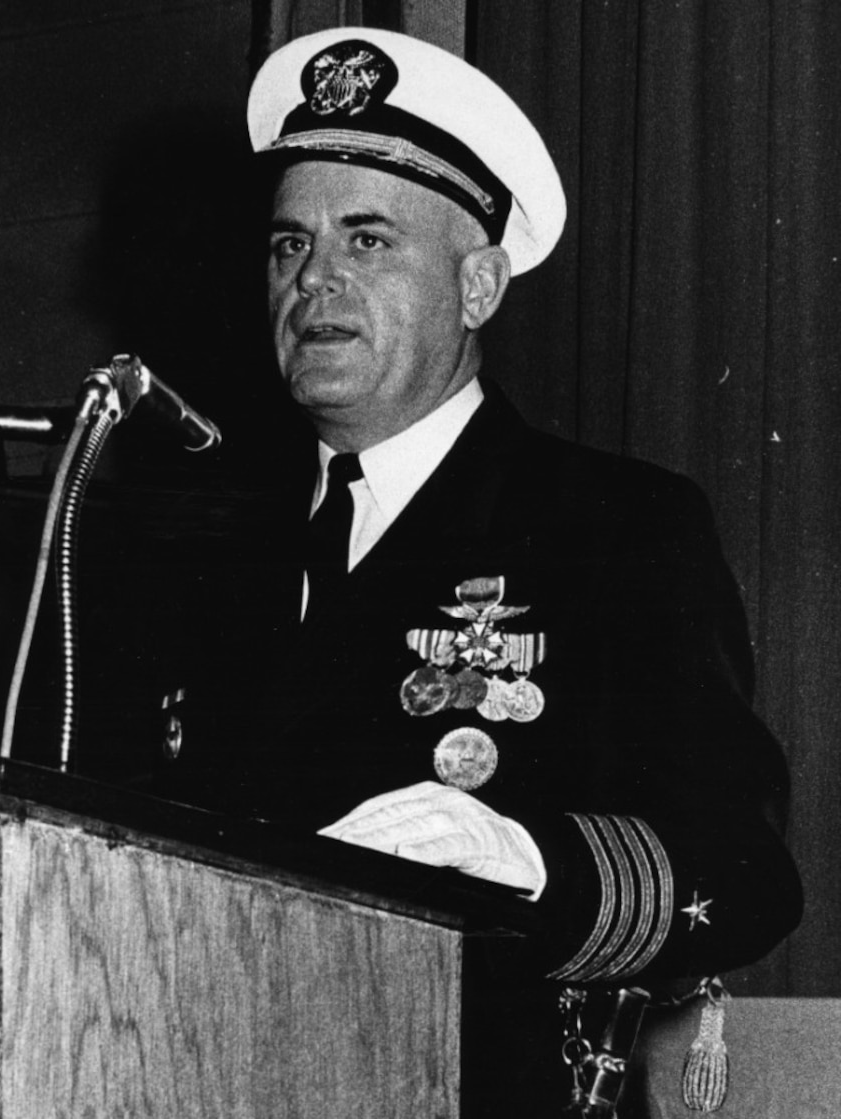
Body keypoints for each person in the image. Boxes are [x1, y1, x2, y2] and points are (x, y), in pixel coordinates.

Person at [152, 26, 802, 1112]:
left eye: (367, 242)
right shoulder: (204, 550)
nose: (314, 281)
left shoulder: (612, 524)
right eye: (286, 246)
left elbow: (743, 875)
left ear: (478, 286)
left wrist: (528, 858)